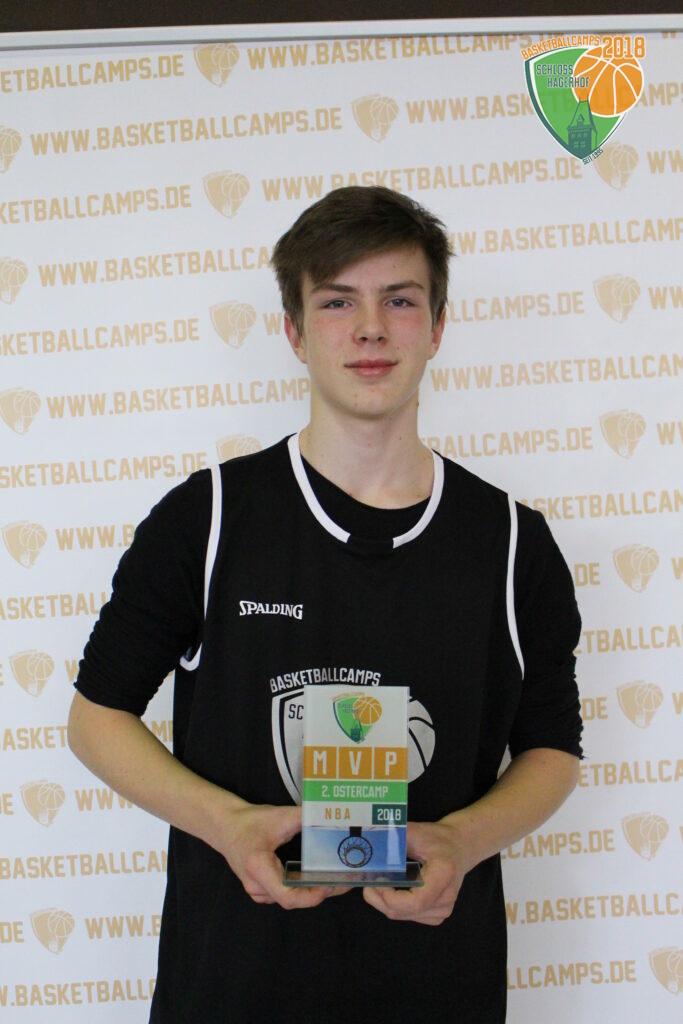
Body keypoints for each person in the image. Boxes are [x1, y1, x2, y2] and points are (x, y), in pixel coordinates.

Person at [68, 186, 582, 1023]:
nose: (370, 328)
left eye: (399, 300)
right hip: (231, 990)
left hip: (436, 990)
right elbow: (96, 717)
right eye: (338, 301)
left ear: (437, 326)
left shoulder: (512, 542)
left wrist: (462, 840)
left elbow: (552, 747)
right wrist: (228, 823)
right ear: (294, 332)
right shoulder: (208, 519)